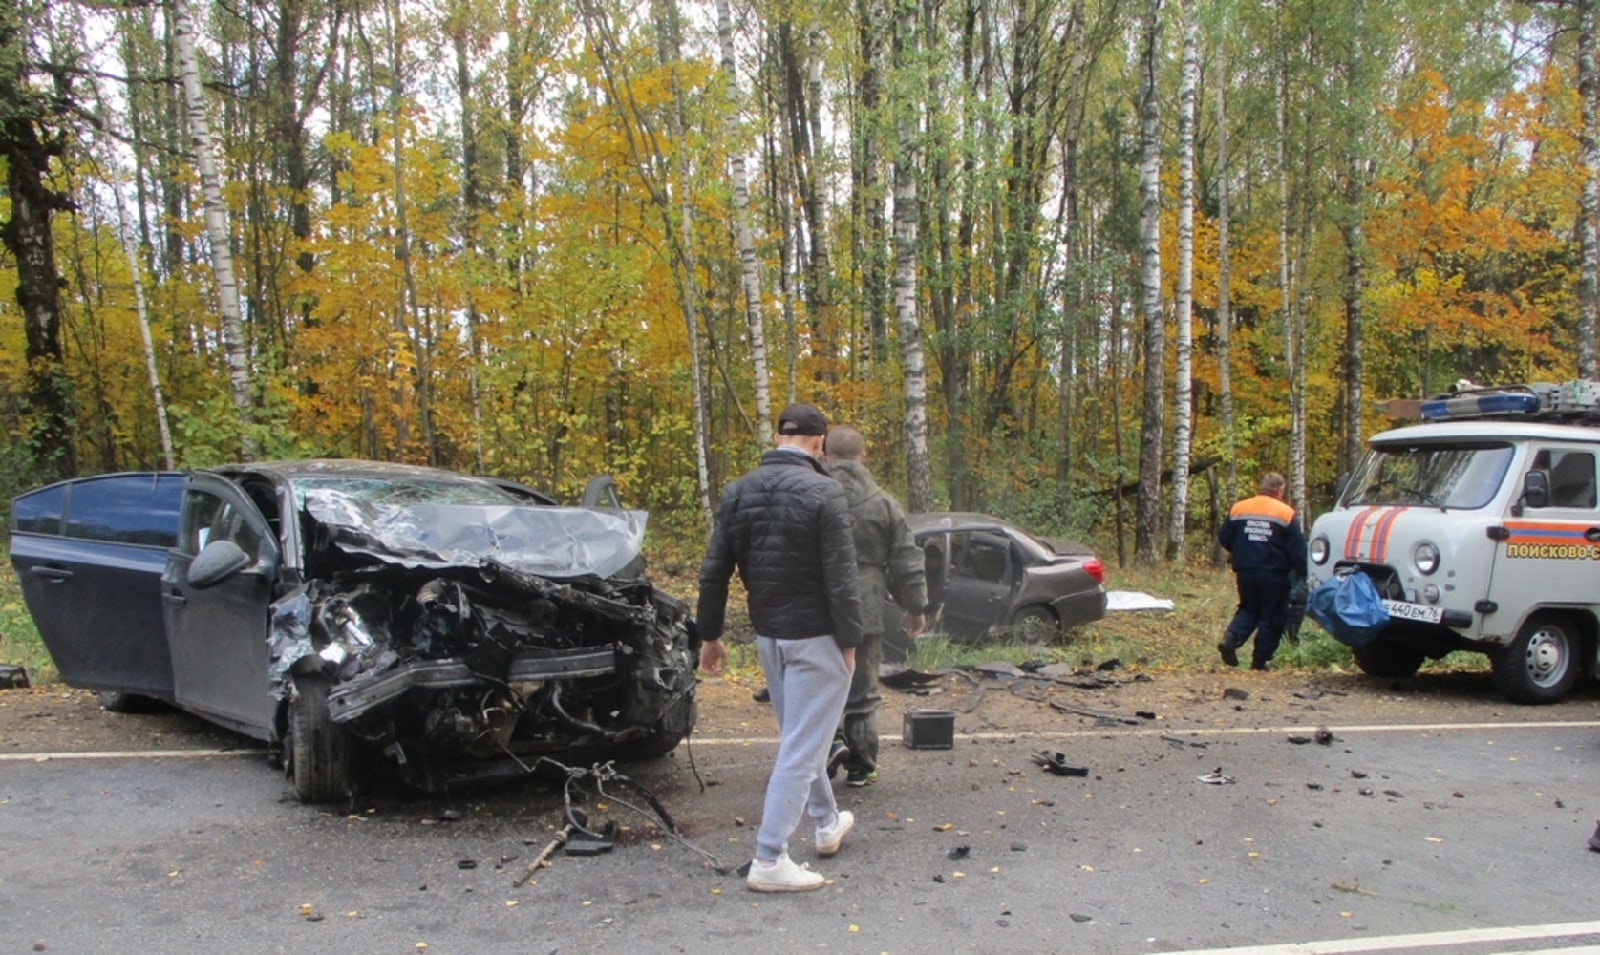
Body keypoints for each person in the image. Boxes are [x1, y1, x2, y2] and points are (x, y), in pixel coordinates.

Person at [697, 402, 865, 893]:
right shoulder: (824, 491)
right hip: (816, 636)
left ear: (778, 437)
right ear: (819, 443)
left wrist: (709, 636)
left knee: (798, 736)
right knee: (802, 747)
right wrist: (849, 642)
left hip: (770, 636)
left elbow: (713, 572)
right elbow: (842, 576)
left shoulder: (737, 492)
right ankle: (769, 857)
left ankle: (827, 821)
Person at [822, 424, 928, 788]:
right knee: (863, 691)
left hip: (814, 606)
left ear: (824, 455)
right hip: (864, 606)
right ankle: (862, 765)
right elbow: (907, 560)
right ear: (863, 457)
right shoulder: (883, 502)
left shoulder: (810, 494)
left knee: (816, 686)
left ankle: (824, 748)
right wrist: (914, 606)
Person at [1217, 472, 1307, 670]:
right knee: (1273, 614)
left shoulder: (1240, 507)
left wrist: (1242, 550)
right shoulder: (1285, 513)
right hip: (1274, 572)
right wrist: (1303, 572)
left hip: (1245, 570)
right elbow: (1297, 549)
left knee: (1248, 608)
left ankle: (1231, 637)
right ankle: (1260, 660)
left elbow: (1224, 537)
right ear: (1279, 490)